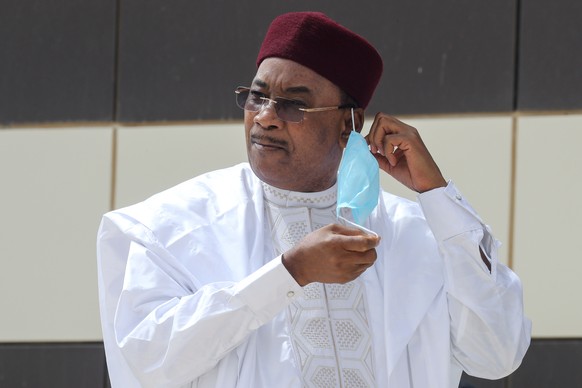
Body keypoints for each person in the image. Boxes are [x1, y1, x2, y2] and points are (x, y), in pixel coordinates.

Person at [97, 11, 531, 388]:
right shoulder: (172, 226)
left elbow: (496, 356)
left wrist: (437, 197)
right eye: (257, 96)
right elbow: (148, 360)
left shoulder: (419, 235)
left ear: (349, 123)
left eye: (291, 106)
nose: (265, 117)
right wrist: (288, 273)